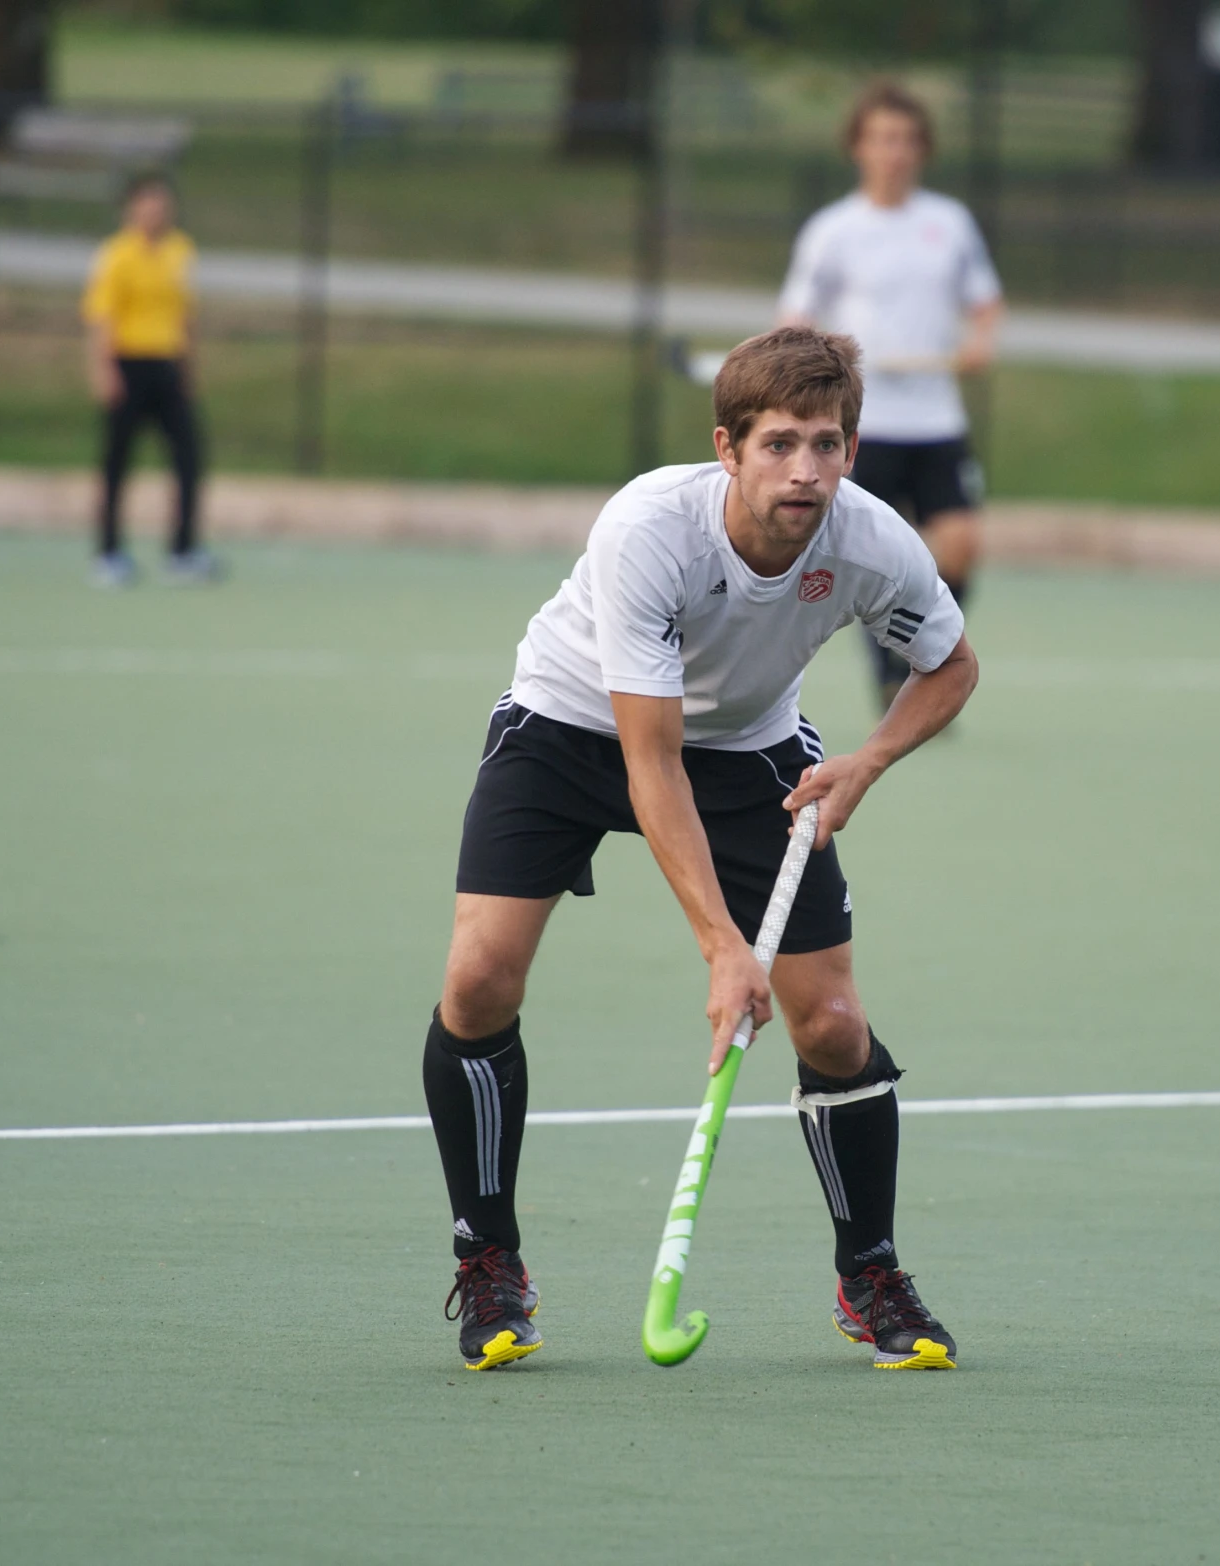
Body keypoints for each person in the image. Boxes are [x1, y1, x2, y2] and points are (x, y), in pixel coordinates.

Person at [424, 326, 978, 1372]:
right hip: (574, 724)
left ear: (852, 452)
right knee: (480, 976)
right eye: (778, 444)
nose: (804, 471)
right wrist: (724, 949)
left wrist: (865, 761)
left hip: (751, 749)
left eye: (825, 444)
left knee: (831, 1019)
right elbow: (652, 761)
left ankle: (870, 1273)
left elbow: (950, 667)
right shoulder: (648, 531)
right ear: (726, 447)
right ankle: (488, 1258)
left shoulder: (870, 544)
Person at [779, 81, 1002, 712]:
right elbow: (796, 316)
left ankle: (918, 655)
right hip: (864, 424)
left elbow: (985, 302)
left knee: (959, 546)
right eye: (881, 139)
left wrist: (980, 339)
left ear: (922, 150)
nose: (894, 152)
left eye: (905, 140)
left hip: (936, 418)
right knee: (869, 554)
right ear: (859, 147)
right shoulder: (833, 230)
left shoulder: (949, 223)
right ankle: (892, 671)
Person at [81, 173, 217, 587]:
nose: (155, 212)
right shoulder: (116, 254)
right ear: (131, 209)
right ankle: (109, 553)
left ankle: (183, 550)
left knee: (189, 458)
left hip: (169, 364)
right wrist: (103, 370)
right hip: (128, 363)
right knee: (117, 463)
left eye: (162, 204)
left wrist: (191, 368)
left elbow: (186, 313)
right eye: (147, 204)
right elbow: (101, 317)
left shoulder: (180, 250)